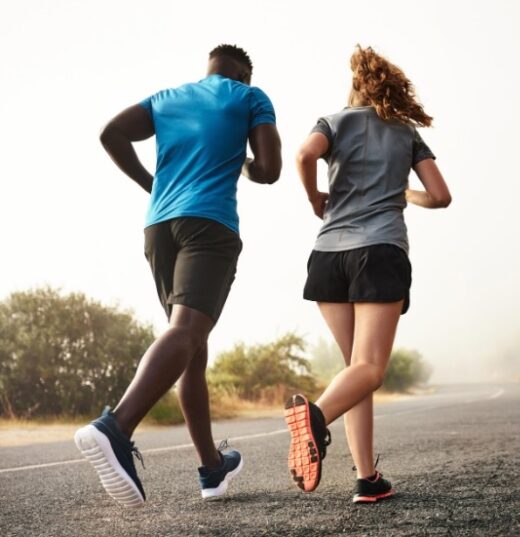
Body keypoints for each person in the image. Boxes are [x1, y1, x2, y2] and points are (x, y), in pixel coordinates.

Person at [74, 44, 282, 507]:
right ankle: (116, 426)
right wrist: (244, 163)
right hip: (209, 224)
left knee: (191, 345)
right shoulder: (250, 97)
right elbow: (270, 170)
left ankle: (212, 467)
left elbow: (110, 133)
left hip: (159, 227)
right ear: (243, 74)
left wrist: (154, 185)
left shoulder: (166, 98)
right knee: (187, 332)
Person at [285, 45, 451, 503]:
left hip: (328, 254)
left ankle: (366, 478)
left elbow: (303, 154)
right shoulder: (406, 132)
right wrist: (404, 194)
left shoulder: (333, 122)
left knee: (355, 369)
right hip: (378, 251)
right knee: (370, 370)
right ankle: (314, 418)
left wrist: (317, 198)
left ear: (354, 86)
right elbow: (440, 195)